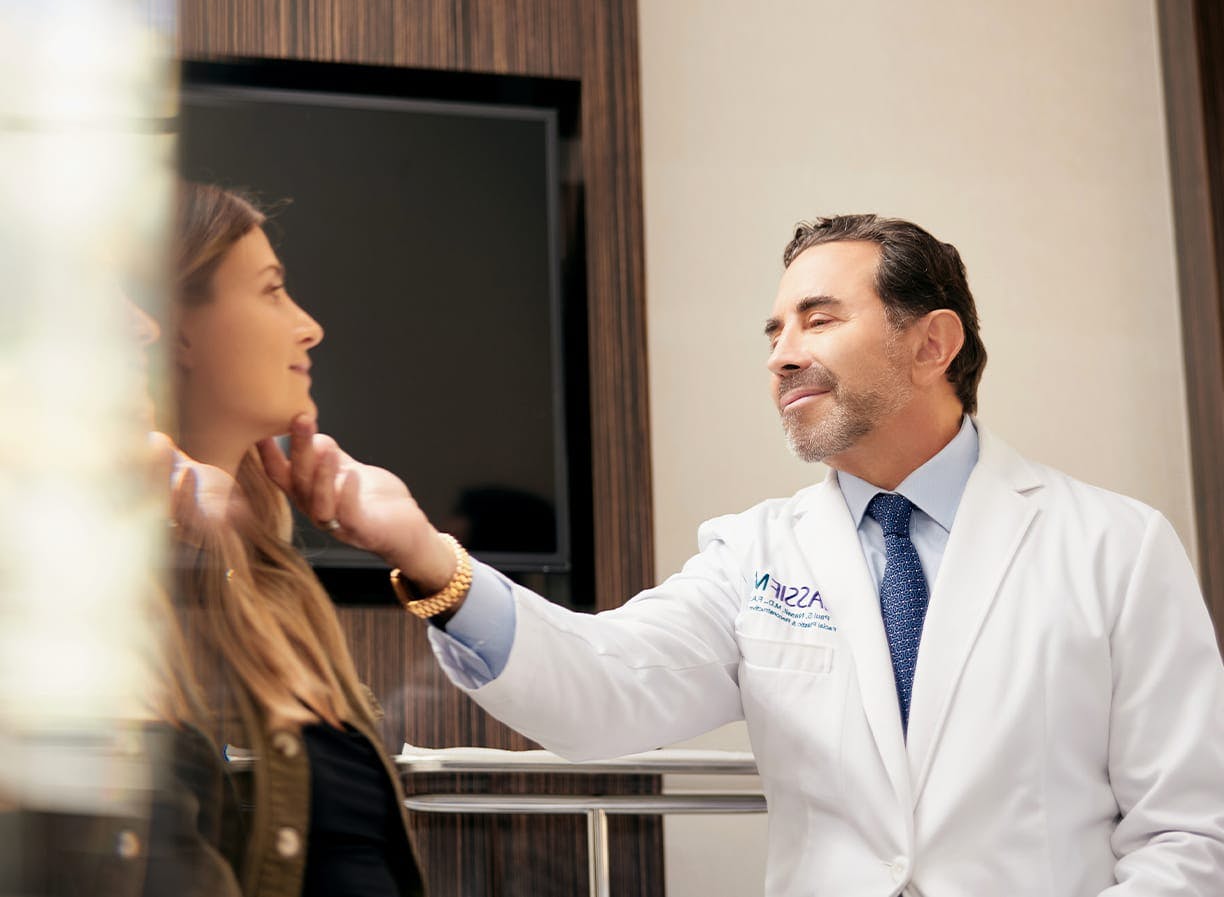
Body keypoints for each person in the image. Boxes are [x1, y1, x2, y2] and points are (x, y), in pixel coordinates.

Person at [262, 214, 1224, 897]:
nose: (780, 353)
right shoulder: (755, 553)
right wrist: (426, 553)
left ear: (933, 343)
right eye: (773, 330)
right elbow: (603, 691)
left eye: (817, 318)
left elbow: (1191, 833)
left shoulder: (1115, 547)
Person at [166, 183, 426, 897]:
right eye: (272, 290)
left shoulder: (275, 583)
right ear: (175, 328)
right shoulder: (130, 579)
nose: (308, 327)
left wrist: (423, 551)